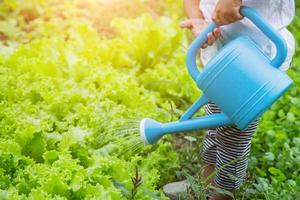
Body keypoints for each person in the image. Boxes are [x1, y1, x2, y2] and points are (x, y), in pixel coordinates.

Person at [163, 0, 295, 200]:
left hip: (254, 57)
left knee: (233, 134)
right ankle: (205, 182)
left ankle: (222, 196)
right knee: (215, 124)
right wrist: (199, 20)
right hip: (221, 46)